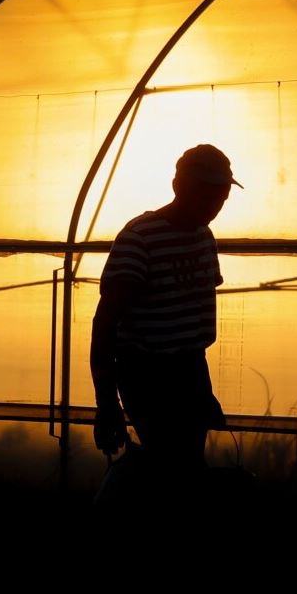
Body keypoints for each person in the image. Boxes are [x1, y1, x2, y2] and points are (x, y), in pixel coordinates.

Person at [90, 144, 241, 481]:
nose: (214, 205)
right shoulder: (139, 238)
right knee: (173, 467)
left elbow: (194, 318)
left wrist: (201, 389)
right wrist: (107, 402)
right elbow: (106, 324)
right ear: (179, 187)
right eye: (206, 194)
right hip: (147, 374)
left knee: (181, 467)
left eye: (220, 196)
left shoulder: (204, 237)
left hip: (189, 368)